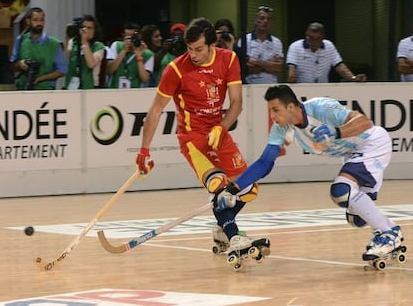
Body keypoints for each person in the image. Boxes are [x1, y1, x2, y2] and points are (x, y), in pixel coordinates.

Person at [214, 84, 404, 265]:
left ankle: (388, 233)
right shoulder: (281, 129)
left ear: (290, 107)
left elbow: (365, 122)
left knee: (341, 190)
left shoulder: (320, 107)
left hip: (372, 144)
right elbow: (265, 162)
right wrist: (233, 189)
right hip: (352, 154)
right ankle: (387, 230)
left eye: (275, 110)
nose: (272, 116)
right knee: (357, 218)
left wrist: (336, 132)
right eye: (270, 111)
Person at [135, 17, 267, 262]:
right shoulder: (175, 69)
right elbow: (155, 111)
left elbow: (237, 103)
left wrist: (221, 127)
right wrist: (144, 150)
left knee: (248, 188)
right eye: (189, 49)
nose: (192, 55)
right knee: (218, 184)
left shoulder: (228, 60)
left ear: (211, 45)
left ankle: (221, 228)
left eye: (198, 49)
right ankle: (234, 235)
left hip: (218, 133)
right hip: (192, 138)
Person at [286, 22, 367, 83]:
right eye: (311, 38)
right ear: (306, 35)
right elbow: (291, 66)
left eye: (317, 39)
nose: (314, 41)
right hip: (302, 88)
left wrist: (353, 78)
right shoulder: (295, 46)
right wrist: (291, 75)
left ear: (323, 37)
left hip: (323, 88)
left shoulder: (329, 46)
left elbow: (339, 66)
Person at [10, 6, 67, 90]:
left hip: (45, 90)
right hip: (23, 89)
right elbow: (12, 66)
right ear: (28, 21)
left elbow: (62, 71)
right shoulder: (21, 40)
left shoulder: (54, 44)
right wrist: (19, 64)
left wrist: (41, 78)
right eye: (35, 20)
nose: (39, 23)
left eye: (41, 20)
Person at [242, 5, 284, 84]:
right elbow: (245, 67)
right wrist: (269, 65)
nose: (265, 21)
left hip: (271, 87)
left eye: (269, 19)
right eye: (262, 18)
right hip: (250, 86)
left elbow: (278, 68)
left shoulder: (277, 42)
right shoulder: (245, 40)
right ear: (255, 20)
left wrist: (257, 62)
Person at [64, 14, 106, 90]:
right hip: (71, 86)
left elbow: (91, 64)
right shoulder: (73, 42)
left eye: (89, 28)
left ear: (95, 30)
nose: (85, 30)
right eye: (83, 27)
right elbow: (65, 62)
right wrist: (67, 37)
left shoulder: (99, 46)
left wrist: (84, 41)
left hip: (90, 87)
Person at [106, 22, 152, 89]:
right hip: (114, 89)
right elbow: (110, 70)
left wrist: (139, 57)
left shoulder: (147, 54)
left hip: (135, 91)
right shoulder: (116, 45)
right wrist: (123, 51)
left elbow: (144, 79)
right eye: (128, 37)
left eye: (133, 37)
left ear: (139, 36)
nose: (131, 41)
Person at [152, 22, 186, 86]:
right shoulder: (166, 51)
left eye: (180, 35)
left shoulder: (191, 51)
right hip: (163, 87)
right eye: (174, 35)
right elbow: (154, 67)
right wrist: (163, 50)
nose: (177, 37)